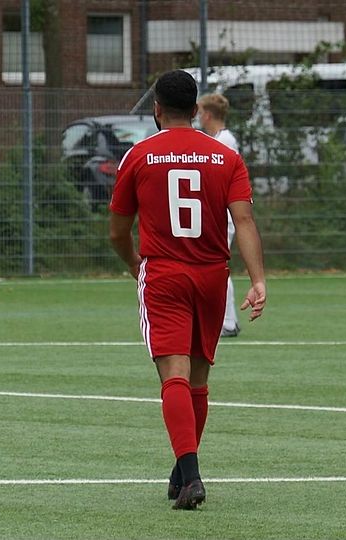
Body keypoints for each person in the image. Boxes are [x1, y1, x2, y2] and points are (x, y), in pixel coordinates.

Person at [108, 69, 267, 510]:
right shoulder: (226, 157)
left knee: (173, 375)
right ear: (196, 110)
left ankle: (192, 476)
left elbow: (118, 231)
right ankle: (182, 473)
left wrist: (133, 262)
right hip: (212, 276)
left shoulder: (139, 156)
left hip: (165, 275)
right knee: (198, 380)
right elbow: (244, 221)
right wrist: (257, 279)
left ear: (156, 109)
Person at [197, 93, 243, 336]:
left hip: (222, 213)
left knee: (217, 266)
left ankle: (228, 322)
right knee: (211, 265)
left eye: (200, 113)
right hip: (215, 213)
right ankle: (222, 319)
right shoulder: (218, 139)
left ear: (207, 115)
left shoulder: (224, 141)